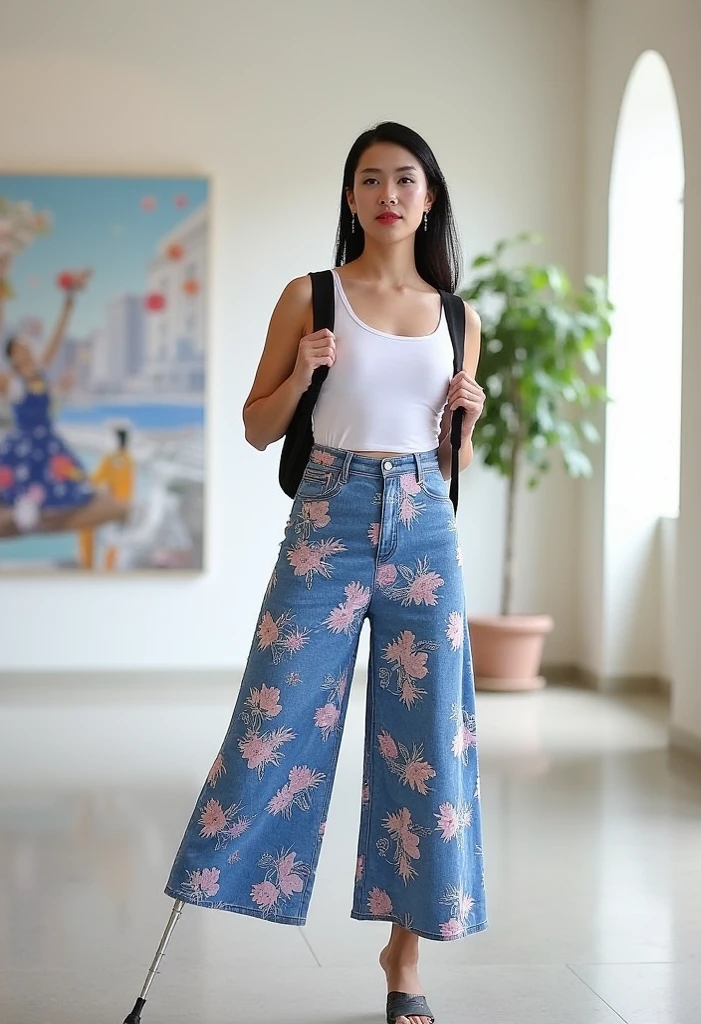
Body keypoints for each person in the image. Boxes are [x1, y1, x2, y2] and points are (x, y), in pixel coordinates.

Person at [164, 122, 487, 1024]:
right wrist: (303, 374)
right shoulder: (309, 296)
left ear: (428, 198)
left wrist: (469, 414)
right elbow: (257, 427)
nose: (389, 194)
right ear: (351, 197)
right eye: (371, 179)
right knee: (275, 708)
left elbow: (449, 460)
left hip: (424, 523)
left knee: (427, 740)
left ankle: (404, 959)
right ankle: (222, 885)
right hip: (328, 517)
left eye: (406, 179)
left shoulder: (460, 318)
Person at [0, 268, 130, 539]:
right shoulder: (11, 382)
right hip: (24, 442)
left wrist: (68, 305)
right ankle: (24, 509)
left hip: (47, 440)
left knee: (68, 483)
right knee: (21, 481)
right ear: (11, 356)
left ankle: (38, 511)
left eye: (27, 347)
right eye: (19, 349)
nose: (26, 352)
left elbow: (56, 340)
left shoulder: (40, 371)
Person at [79, 426, 136, 570]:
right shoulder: (129, 459)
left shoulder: (111, 459)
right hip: (125, 507)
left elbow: (95, 480)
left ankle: (88, 565)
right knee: (113, 541)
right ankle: (107, 569)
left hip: (112, 507)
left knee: (87, 528)